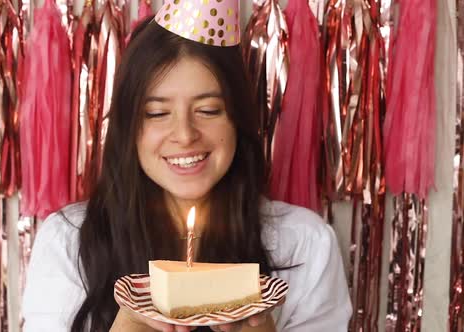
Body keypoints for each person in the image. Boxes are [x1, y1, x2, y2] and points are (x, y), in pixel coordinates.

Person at [21, 1, 352, 331]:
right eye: (157, 113)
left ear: (237, 120)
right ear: (129, 127)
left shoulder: (306, 244)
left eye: (208, 110)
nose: (184, 134)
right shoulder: (68, 241)